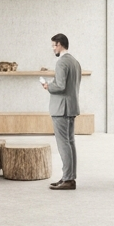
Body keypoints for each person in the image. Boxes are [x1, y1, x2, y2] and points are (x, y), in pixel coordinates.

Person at [41, 32, 81, 190]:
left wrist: (48, 86)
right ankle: (69, 177)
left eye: (53, 46)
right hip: (71, 106)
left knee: (63, 144)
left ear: (59, 45)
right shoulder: (75, 62)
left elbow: (60, 86)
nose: (53, 49)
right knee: (70, 143)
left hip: (61, 108)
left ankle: (68, 179)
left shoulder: (61, 62)